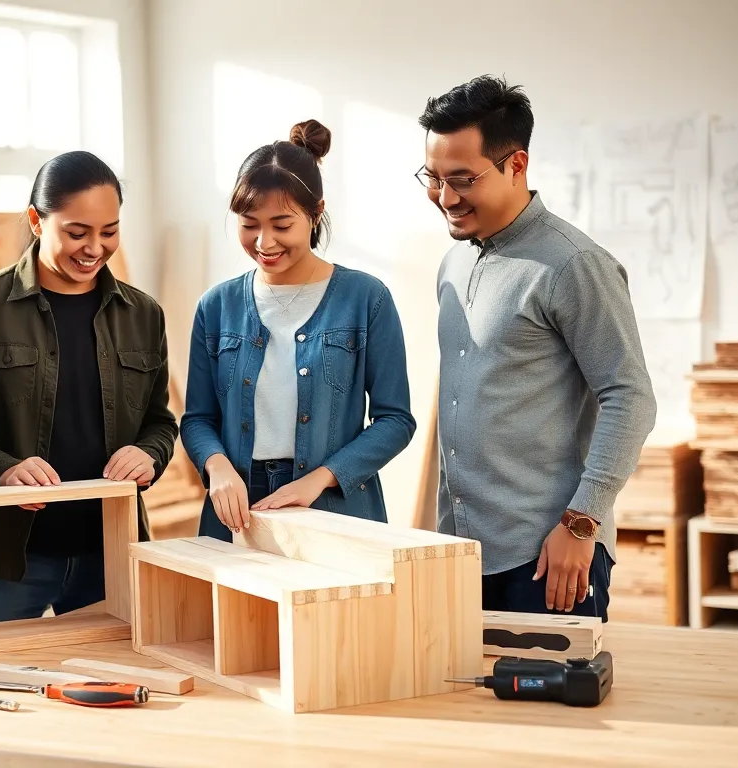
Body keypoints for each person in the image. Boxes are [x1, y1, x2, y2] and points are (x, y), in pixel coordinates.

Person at [418, 75, 657, 620]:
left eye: (462, 179)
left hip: (551, 555)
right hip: (462, 554)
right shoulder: (455, 262)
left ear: (516, 165)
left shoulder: (575, 265)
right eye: (432, 178)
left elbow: (631, 398)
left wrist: (581, 523)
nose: (445, 198)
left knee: (552, 705)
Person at [0, 151, 178, 624]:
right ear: (36, 220)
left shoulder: (143, 315)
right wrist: (3, 470)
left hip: (111, 551)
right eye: (77, 232)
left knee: (118, 685)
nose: (95, 247)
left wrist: (149, 454)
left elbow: (159, 421)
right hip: (11, 556)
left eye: (109, 232)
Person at [181, 120, 416, 540]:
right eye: (249, 224)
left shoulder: (367, 298)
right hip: (236, 508)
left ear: (316, 213)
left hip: (334, 505)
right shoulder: (216, 307)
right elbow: (198, 418)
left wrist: (318, 480)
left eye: (281, 225)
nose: (263, 242)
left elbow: (395, 420)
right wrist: (216, 467)